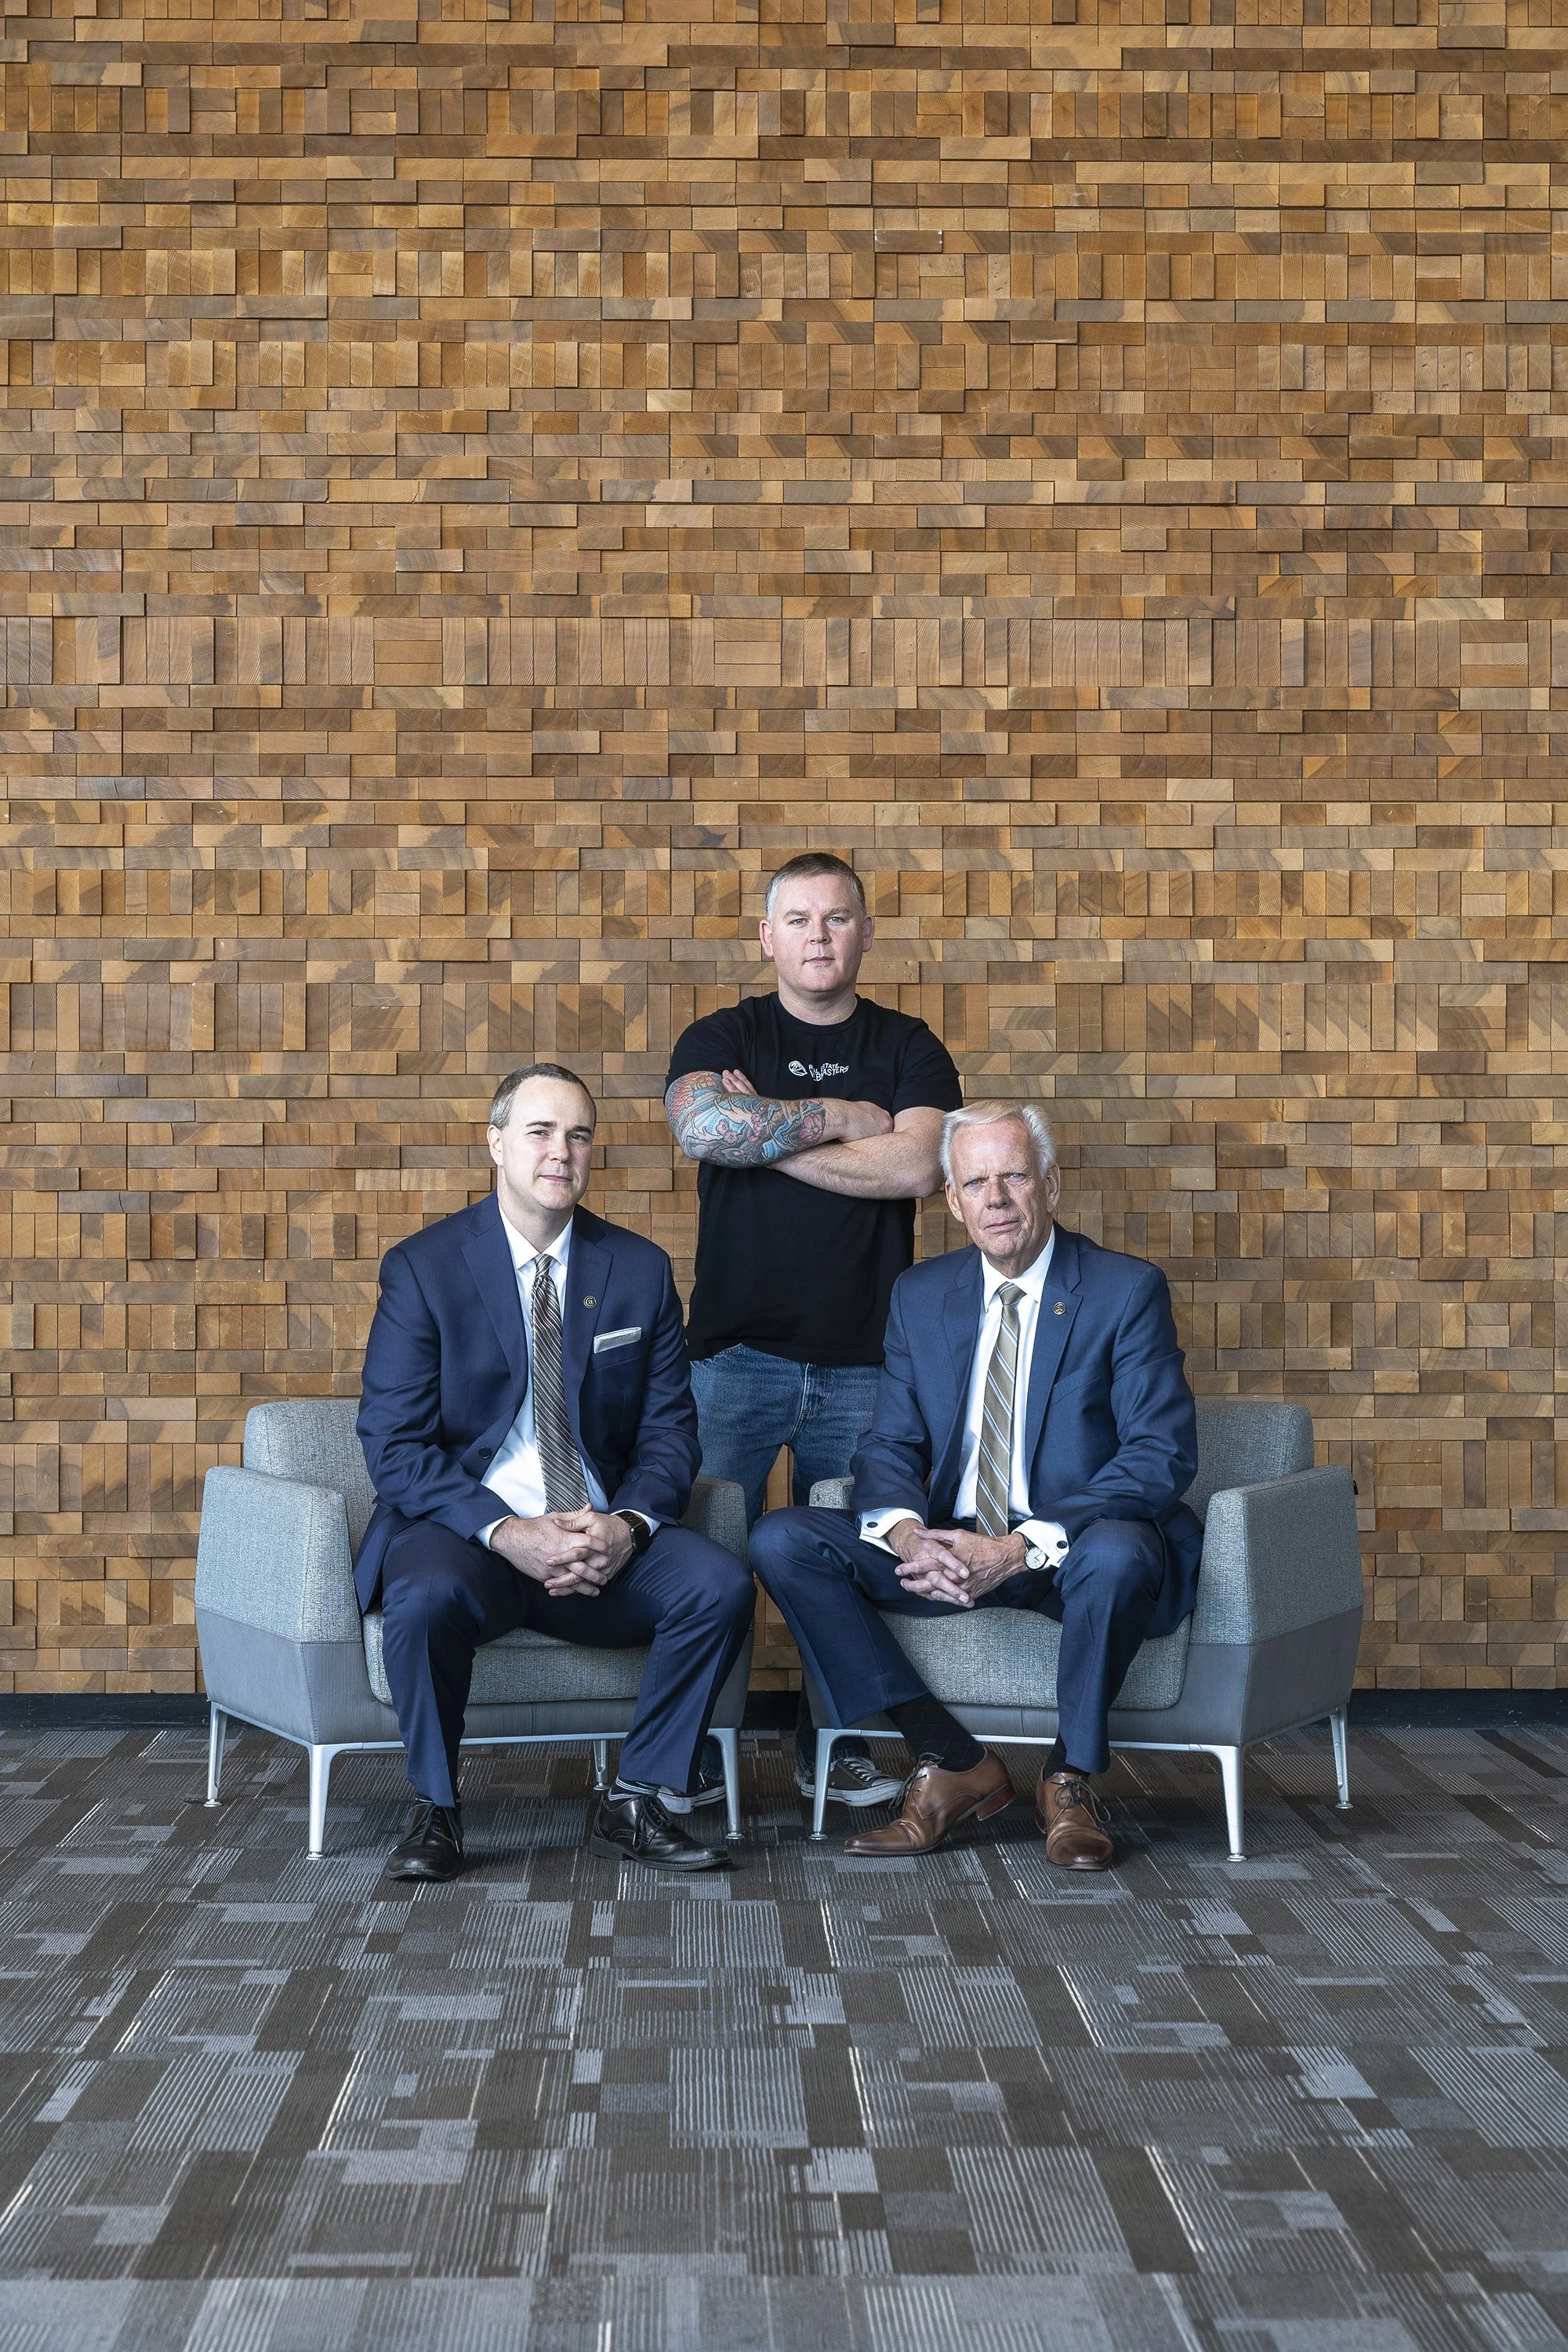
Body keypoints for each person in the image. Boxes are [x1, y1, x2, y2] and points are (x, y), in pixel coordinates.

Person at [749, 1100, 1203, 1871]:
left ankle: (1067, 1779)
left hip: (1069, 1548)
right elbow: (889, 1440)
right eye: (975, 1183)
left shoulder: (1123, 1291)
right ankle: (949, 1757)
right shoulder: (922, 1295)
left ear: (1050, 1186)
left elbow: (1159, 1454)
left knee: (1124, 1553)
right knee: (782, 1539)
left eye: (1013, 1177)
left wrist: (1020, 1545)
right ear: (952, 1202)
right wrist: (904, 1533)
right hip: (953, 1543)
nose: (995, 1199)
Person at [355, 1063, 756, 1882]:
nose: (560, 1152)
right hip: (470, 1537)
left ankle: (634, 1798)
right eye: (539, 1131)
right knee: (422, 1593)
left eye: (577, 1135)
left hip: (597, 1537)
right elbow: (393, 1444)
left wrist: (626, 1525)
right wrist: (506, 1531)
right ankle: (437, 1811)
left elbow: (670, 1431)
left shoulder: (636, 1270)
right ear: (496, 1142)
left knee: (719, 1584)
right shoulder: (424, 1268)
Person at [665, 851, 964, 1814]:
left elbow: (919, 1168)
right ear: (767, 937)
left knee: (849, 1556)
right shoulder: (721, 1030)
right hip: (731, 1356)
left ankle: (831, 1748)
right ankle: (695, 1749)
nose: (818, 936)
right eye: (797, 920)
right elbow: (700, 1131)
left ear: (866, 933)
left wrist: (766, 1136)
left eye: (836, 919)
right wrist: (838, 1119)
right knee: (702, 1557)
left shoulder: (911, 1044)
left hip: (867, 1361)